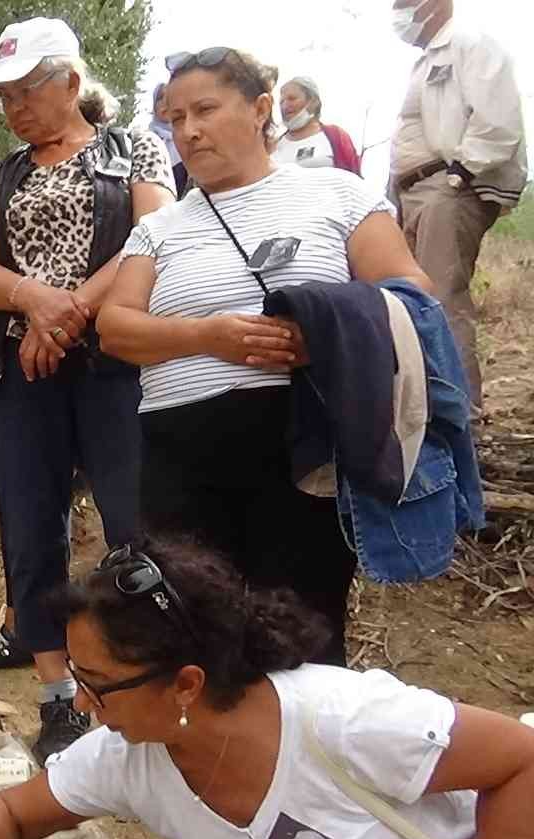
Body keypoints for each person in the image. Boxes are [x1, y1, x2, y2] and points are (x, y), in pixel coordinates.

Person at [0, 538, 534, 839]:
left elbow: (521, 760)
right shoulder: (133, 754)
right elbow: (10, 812)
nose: (80, 705)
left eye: (97, 686)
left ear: (186, 684)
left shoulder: (341, 719)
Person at [97, 47, 429, 667]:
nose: (188, 130)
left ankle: (304, 758)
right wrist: (208, 337)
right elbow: (115, 326)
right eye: (175, 118)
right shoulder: (160, 227)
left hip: (301, 442)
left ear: (259, 109)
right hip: (177, 446)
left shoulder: (337, 194)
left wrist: (327, 337)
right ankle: (207, 759)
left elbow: (409, 294)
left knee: (301, 624)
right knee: (187, 626)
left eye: (205, 110)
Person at [0, 17, 174, 759]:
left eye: (27, 90)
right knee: (30, 523)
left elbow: (156, 236)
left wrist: (72, 307)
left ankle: (148, 674)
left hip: (114, 361)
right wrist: (35, 302)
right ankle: (58, 697)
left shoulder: (136, 149)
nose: (14, 107)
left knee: (135, 521)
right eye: (5, 96)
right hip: (25, 370)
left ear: (72, 84)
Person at [389, 0, 527, 410]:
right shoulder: (426, 60)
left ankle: (461, 411)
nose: (397, 14)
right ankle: (427, 405)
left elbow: (498, 119)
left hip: (446, 189)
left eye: (403, 4)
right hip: (413, 193)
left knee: (442, 298)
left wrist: (461, 173)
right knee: (411, 300)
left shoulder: (471, 43)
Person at [272, 77, 362, 173]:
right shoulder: (274, 144)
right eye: (282, 102)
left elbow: (353, 175)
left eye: (292, 99)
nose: (285, 106)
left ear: (313, 102)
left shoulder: (335, 136)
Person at [150, 83, 190, 195]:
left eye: (171, 97)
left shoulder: (190, 139)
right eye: (160, 97)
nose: (165, 102)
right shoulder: (144, 141)